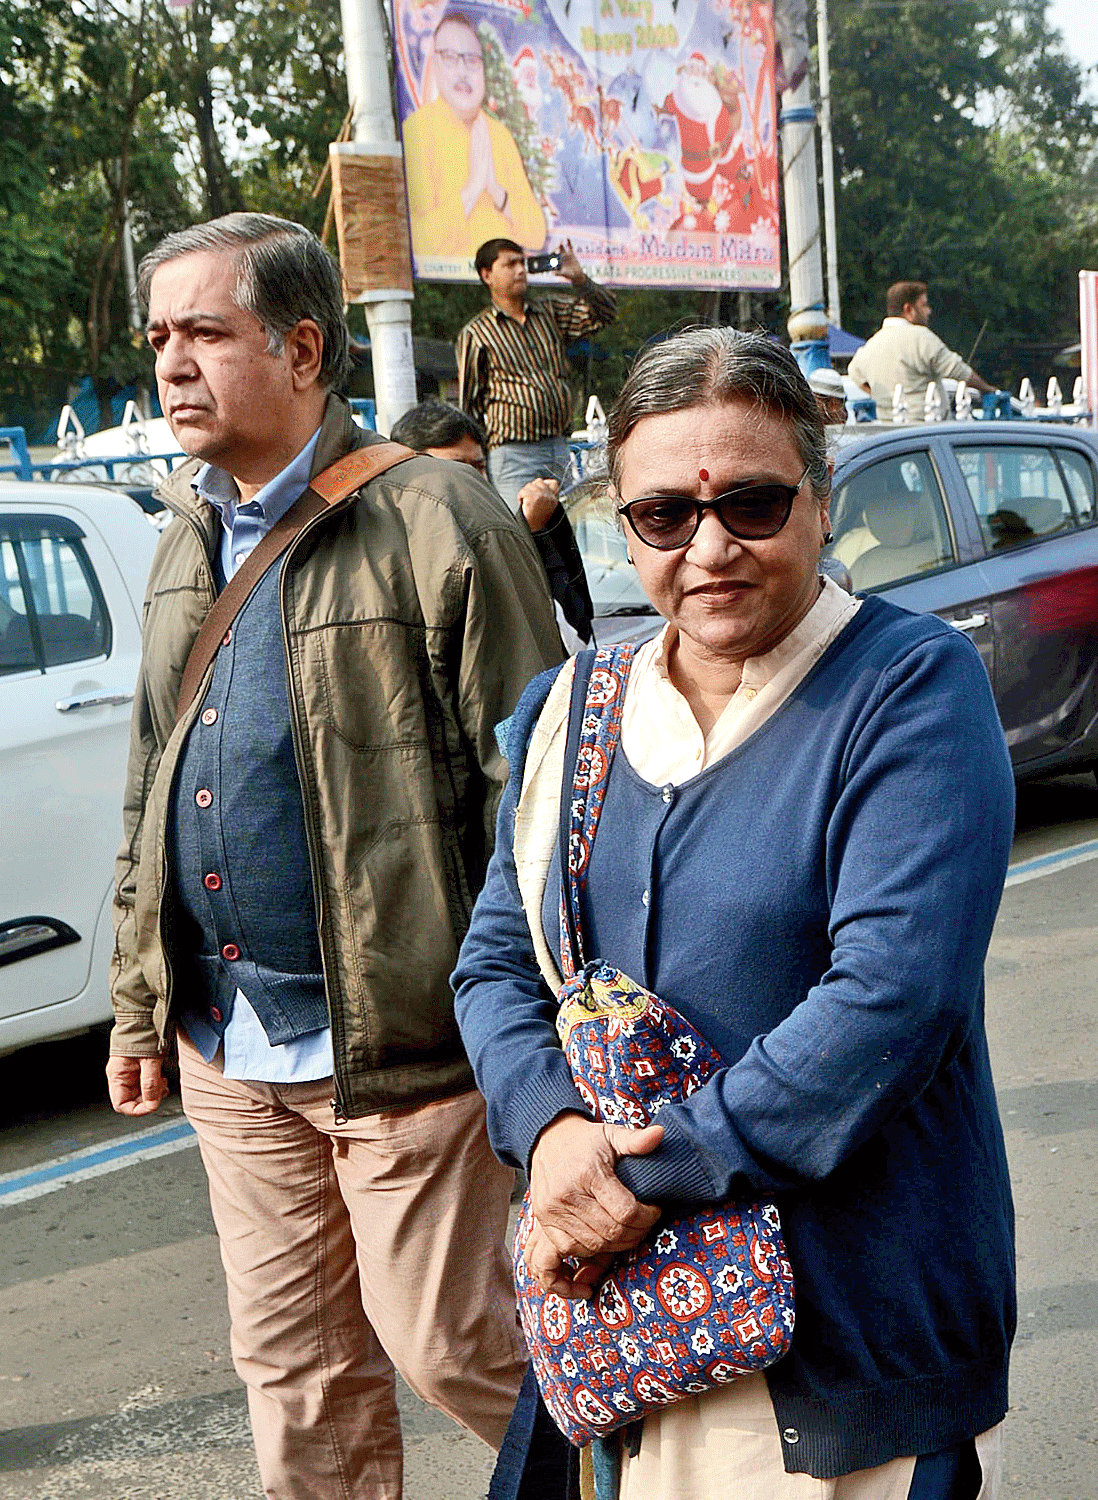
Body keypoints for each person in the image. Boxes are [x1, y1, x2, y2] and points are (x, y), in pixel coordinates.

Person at [453, 328, 1016, 1499]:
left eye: (752, 505)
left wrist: (631, 1183)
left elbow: (890, 1002)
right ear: (624, 525)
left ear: (820, 503)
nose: (710, 547)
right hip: (635, 1336)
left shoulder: (906, 688)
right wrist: (554, 1133)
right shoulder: (572, 711)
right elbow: (498, 966)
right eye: (665, 516)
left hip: (849, 1327)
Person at [105, 212, 563, 1500]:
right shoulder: (185, 538)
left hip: (411, 1053)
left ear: (304, 347)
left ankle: (649, 1477)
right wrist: (145, 1004)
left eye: (205, 332)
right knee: (297, 1380)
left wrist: (532, 1042)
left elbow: (532, 799)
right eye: (159, 337)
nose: (171, 364)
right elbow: (153, 783)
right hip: (230, 1048)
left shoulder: (440, 516)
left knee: (465, 1345)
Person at [390, 398, 594, 646]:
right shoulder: (388, 558)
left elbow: (571, 642)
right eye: (455, 470)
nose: (473, 481)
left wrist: (532, 540)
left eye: (478, 467)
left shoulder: (500, 539)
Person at [456, 236, 616, 510]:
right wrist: (476, 461)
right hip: (512, 453)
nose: (520, 270)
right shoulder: (476, 333)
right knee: (521, 529)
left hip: (557, 447)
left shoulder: (549, 312)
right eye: (510, 264)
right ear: (487, 275)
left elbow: (605, 313)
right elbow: (470, 404)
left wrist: (580, 280)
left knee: (570, 528)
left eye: (522, 263)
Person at [402, 11, 546, 261]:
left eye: (471, 60)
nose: (463, 71)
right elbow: (417, 241)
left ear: (483, 69)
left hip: (502, 280)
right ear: (435, 66)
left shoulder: (498, 135)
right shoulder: (417, 132)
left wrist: (498, 192)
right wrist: (473, 188)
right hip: (447, 292)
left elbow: (537, 233)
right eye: (450, 58)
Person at [848, 280, 996, 421]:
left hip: (887, 429)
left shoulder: (871, 345)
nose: (928, 311)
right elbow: (958, 370)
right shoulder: (921, 337)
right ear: (909, 309)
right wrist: (987, 389)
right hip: (925, 428)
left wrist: (881, 397)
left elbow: (854, 373)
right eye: (924, 305)